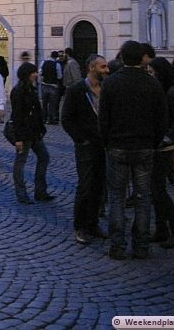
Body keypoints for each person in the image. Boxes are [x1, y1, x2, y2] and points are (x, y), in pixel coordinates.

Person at [99, 40, 167, 260]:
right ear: (141, 59)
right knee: (142, 197)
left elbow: (103, 118)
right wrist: (154, 141)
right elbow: (161, 119)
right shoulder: (152, 84)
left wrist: (107, 141)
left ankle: (117, 245)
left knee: (117, 197)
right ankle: (141, 246)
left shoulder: (110, 83)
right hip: (145, 146)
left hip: (118, 145)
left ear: (122, 58)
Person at [62, 54, 110, 245]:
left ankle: (93, 223)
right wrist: (80, 139)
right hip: (85, 146)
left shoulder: (106, 89)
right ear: (92, 68)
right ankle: (80, 226)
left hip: (103, 145)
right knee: (85, 186)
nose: (107, 70)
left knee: (100, 185)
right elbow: (66, 119)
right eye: (103, 67)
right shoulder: (77, 90)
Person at [147, 57, 174, 249]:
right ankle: (161, 229)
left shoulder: (172, 93)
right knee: (156, 190)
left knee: (159, 191)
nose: (150, 75)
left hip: (165, 148)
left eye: (152, 72)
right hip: (159, 146)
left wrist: (162, 141)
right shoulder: (164, 91)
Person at [10, 63, 53, 204]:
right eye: (34, 72)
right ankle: (21, 194)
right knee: (20, 162)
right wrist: (18, 139)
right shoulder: (18, 91)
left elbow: (36, 111)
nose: (36, 74)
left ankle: (40, 191)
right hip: (24, 133)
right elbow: (17, 116)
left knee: (44, 157)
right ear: (27, 74)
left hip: (34, 132)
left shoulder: (32, 89)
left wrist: (41, 128)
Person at [39, 51, 62, 126]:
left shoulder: (44, 62)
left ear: (50, 55)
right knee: (52, 104)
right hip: (53, 86)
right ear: (56, 57)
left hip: (44, 85)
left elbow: (40, 72)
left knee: (44, 103)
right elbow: (59, 76)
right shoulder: (57, 64)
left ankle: (44, 118)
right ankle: (50, 119)